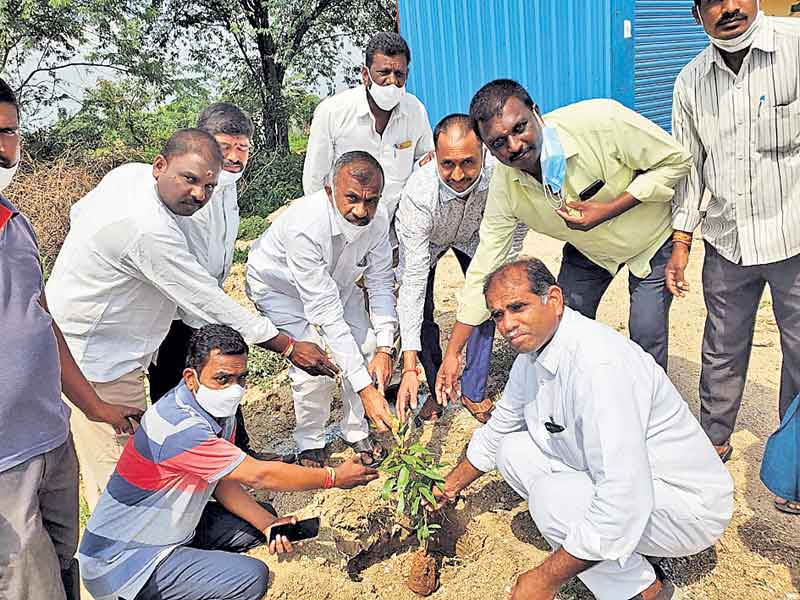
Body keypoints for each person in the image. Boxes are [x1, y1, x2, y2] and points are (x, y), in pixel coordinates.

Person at [45, 128, 336, 508]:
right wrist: (287, 344)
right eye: (190, 179)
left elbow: (78, 212)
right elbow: (204, 298)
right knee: (121, 480)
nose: (199, 194)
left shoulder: (128, 176)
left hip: (98, 343)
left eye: (209, 185)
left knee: (135, 464)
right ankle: (124, 560)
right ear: (160, 166)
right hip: (100, 362)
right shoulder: (147, 229)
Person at [432, 258, 733, 600]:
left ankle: (644, 590)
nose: (507, 324)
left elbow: (622, 494)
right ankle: (617, 547)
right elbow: (498, 430)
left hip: (686, 507)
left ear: (555, 300)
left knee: (551, 500)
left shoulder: (599, 365)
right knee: (512, 451)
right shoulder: (531, 356)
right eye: (498, 315)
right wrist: (447, 488)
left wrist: (544, 579)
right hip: (638, 486)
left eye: (517, 307)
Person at [437, 79, 692, 409]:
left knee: (646, 331)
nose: (513, 146)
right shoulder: (505, 184)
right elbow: (486, 262)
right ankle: (570, 404)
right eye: (498, 142)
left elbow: (676, 161)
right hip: (589, 250)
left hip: (651, 240)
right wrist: (455, 350)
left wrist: (611, 208)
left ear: (537, 113)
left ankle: (650, 413)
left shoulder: (602, 122)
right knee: (558, 320)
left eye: (520, 128)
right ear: (487, 147)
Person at [79, 324, 378, 600]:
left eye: (241, 378)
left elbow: (220, 480)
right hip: (123, 561)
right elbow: (259, 475)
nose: (234, 388)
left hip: (172, 527)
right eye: (222, 378)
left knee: (260, 519)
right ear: (191, 378)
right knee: (250, 578)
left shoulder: (214, 412)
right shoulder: (178, 427)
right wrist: (333, 477)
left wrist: (268, 524)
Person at [0, 77, 143, 600]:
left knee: (65, 572)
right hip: (3, 463)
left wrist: (94, 406)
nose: (1, 146)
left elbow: (41, 321)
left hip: (51, 439)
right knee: (25, 585)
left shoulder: (17, 224)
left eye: (8, 131)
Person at [668, 0, 800, 514]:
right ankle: (715, 438)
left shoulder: (794, 49)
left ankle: (793, 463)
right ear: (697, 14)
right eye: (712, 2)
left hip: (794, 237)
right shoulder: (690, 82)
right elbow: (690, 169)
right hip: (729, 241)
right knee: (721, 345)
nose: (729, 8)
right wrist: (682, 241)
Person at [247, 151, 397, 468]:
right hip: (280, 290)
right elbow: (326, 316)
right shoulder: (306, 226)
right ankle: (310, 442)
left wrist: (385, 346)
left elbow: (381, 282)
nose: (362, 210)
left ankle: (356, 430)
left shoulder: (379, 218)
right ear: (330, 192)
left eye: (371, 200)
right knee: (315, 365)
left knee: (368, 347)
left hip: (336, 284)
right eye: (352, 198)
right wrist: (368, 391)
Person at [147, 102, 273, 459]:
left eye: (243, 148)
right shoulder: (185, 193)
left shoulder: (227, 187)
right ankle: (184, 463)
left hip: (207, 304)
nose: (235, 157)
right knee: (177, 386)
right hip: (174, 312)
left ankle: (236, 454)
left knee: (224, 378)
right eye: (225, 147)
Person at [395, 113, 526, 424]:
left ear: (483, 151)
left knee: (486, 301)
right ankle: (434, 387)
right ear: (434, 158)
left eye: (468, 162)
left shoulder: (503, 177)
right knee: (423, 311)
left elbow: (513, 240)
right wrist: (408, 365)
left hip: (476, 238)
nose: (457, 175)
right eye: (447, 164)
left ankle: (473, 389)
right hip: (429, 242)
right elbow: (411, 284)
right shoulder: (417, 195)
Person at [302, 31, 433, 232]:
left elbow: (425, 161)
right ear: (366, 75)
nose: (392, 82)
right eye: (384, 73)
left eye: (399, 74)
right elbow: (314, 181)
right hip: (342, 230)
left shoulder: (415, 112)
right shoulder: (332, 113)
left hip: (392, 235)